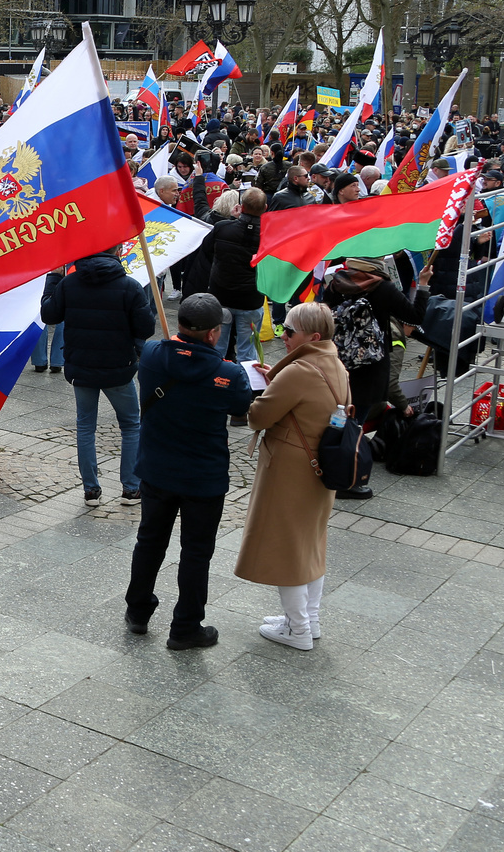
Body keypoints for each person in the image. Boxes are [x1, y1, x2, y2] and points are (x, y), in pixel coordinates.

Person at [124, 294, 254, 649]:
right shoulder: (228, 372)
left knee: (149, 541)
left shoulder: (151, 354)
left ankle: (137, 610)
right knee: (196, 553)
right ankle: (185, 627)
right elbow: (243, 406)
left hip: (156, 470)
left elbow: (162, 351)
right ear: (214, 334)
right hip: (203, 478)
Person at [235, 301, 348, 650]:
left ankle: (297, 630)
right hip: (320, 466)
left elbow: (258, 417)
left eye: (290, 331)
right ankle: (307, 621)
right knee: (310, 546)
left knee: (288, 550)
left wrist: (259, 389)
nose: (284, 336)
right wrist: (276, 381)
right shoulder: (334, 363)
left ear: (312, 336)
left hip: (292, 468)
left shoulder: (299, 371)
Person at [42, 246, 157, 506]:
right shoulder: (130, 285)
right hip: (119, 365)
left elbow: (48, 315)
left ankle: (91, 490)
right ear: (117, 252)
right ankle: (130, 487)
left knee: (85, 426)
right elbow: (146, 327)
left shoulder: (69, 283)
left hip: (81, 366)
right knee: (130, 425)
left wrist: (53, 278)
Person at [319, 255, 430, 500]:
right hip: (370, 364)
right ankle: (346, 479)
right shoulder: (382, 286)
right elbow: (414, 316)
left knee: (339, 415)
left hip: (339, 362)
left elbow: (324, 316)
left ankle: (326, 465)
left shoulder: (337, 281)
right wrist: (423, 284)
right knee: (355, 422)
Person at [201, 186, 268, 375]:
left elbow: (206, 251)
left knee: (217, 346)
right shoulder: (268, 236)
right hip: (251, 300)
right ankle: (247, 386)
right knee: (248, 350)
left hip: (222, 296)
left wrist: (232, 220)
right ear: (265, 208)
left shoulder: (223, 228)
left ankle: (214, 382)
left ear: (241, 206)